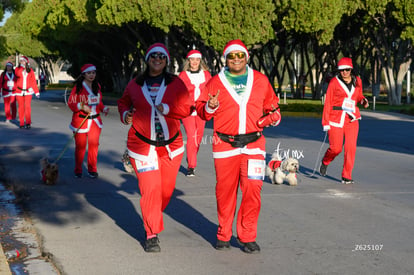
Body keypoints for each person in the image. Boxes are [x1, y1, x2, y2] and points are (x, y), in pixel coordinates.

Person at [195, 39, 281, 254]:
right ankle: (223, 234)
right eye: (231, 56)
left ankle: (247, 236)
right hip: (224, 145)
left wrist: (273, 117)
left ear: (246, 57)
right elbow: (201, 111)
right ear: (226, 58)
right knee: (225, 192)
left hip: (254, 145)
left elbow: (272, 107)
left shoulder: (260, 80)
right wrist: (210, 105)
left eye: (239, 55)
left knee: (253, 190)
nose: (236, 59)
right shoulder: (215, 82)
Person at [117, 43, 192, 253]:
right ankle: (151, 234)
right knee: (150, 190)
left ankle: (152, 215)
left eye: (161, 56)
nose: (157, 59)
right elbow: (123, 103)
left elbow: (187, 107)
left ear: (166, 60)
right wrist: (125, 115)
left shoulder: (176, 83)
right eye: (153, 56)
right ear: (147, 59)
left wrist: (167, 108)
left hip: (171, 147)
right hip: (142, 147)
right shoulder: (134, 84)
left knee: (165, 192)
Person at [319, 57, 369, 184]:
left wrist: (363, 100)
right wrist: (325, 122)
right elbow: (328, 102)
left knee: (350, 148)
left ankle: (346, 175)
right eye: (342, 70)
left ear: (351, 69)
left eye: (347, 69)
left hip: (352, 118)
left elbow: (358, 95)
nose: (344, 72)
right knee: (336, 148)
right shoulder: (334, 82)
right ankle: (325, 161)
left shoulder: (357, 81)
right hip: (336, 118)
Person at [68, 64, 109, 179]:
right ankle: (78, 169)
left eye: (93, 73)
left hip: (95, 121)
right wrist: (81, 106)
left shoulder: (97, 86)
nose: (92, 75)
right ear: (84, 74)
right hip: (81, 121)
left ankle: (92, 169)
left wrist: (103, 108)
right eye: (89, 73)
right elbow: (71, 103)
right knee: (80, 146)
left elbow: (98, 102)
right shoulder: (78, 88)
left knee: (94, 145)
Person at [178, 49, 212, 176]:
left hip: (201, 110)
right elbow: (178, 93)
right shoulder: (182, 75)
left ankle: (191, 157)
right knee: (192, 136)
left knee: (198, 138)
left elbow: (211, 90)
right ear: (189, 61)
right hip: (188, 111)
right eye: (192, 59)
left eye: (197, 60)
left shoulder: (206, 75)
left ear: (200, 61)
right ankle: (191, 166)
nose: (195, 62)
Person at [14, 56, 40, 129]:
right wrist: (22, 68)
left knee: (27, 107)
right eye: (21, 61)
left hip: (28, 91)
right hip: (19, 91)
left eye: (23, 61)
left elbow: (33, 82)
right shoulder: (17, 69)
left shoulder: (30, 70)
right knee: (21, 107)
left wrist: (36, 91)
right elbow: (18, 75)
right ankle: (22, 123)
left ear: (27, 62)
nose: (22, 62)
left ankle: (28, 122)